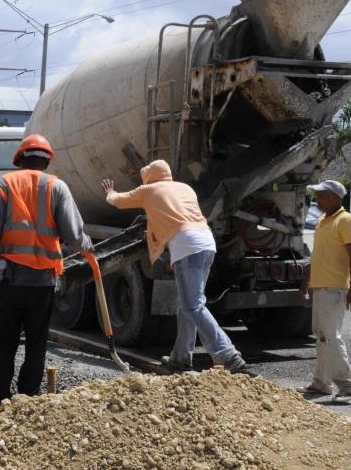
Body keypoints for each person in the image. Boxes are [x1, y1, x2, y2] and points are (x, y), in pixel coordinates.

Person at [0, 134, 93, 410]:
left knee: (3, 344)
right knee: (36, 344)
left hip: (8, 280)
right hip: (43, 282)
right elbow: (75, 235)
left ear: (19, 160)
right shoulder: (57, 187)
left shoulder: (7, 183)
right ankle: (27, 402)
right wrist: (88, 246)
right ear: (47, 161)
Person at [101, 159, 246, 373]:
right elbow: (172, 216)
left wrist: (110, 192)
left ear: (150, 176)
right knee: (186, 305)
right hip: (206, 243)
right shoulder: (185, 188)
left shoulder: (149, 190)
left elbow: (119, 201)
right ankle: (180, 356)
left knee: (193, 306)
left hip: (187, 247)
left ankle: (227, 354)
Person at [297, 180, 351, 403]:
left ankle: (348, 386)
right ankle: (321, 383)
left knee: (332, 337)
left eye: (321, 195)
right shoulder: (324, 221)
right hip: (321, 287)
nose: (318, 200)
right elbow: (317, 256)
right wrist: (306, 284)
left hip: (335, 288)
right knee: (323, 337)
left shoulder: (345, 221)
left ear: (333, 197)